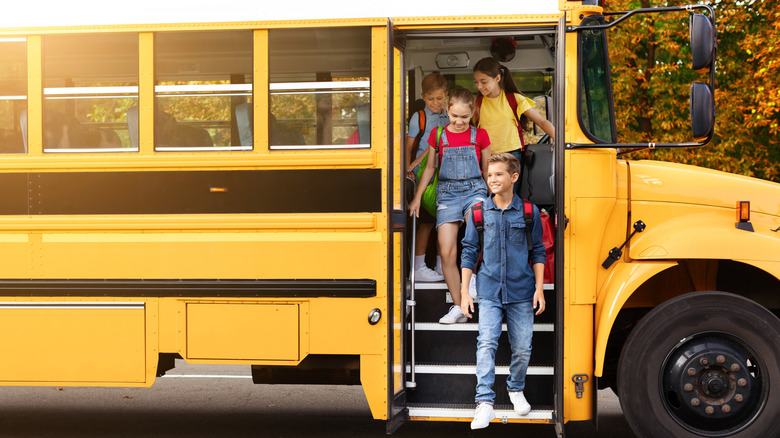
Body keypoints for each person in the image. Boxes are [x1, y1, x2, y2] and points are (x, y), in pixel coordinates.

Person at [459, 153, 546, 429]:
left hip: (522, 291)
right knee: (487, 343)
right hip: (488, 290)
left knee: (522, 347)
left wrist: (540, 289)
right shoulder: (477, 212)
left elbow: (539, 252)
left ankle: (515, 388)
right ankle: (484, 402)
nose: (492, 179)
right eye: (489, 174)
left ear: (514, 177)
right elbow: (470, 252)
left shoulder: (529, 213)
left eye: (498, 174)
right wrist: (464, 292)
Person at [409, 87, 491, 324]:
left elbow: (487, 170)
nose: (459, 122)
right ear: (448, 110)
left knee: (477, 227)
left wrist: (496, 196)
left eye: (464, 117)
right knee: (446, 252)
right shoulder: (437, 135)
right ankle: (459, 307)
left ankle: (472, 278)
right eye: (454, 116)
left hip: (475, 190)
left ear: (473, 113)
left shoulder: (481, 136)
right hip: (447, 194)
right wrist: (417, 198)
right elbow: (431, 169)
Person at [472, 57, 555, 194]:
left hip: (511, 157)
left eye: (484, 82)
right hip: (487, 158)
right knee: (490, 199)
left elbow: (542, 122)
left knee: (507, 198)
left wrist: (559, 142)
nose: (479, 86)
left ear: (497, 78)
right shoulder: (477, 104)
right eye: (476, 82)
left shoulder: (514, 99)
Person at [406, 73, 450, 282]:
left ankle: (443, 265)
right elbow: (409, 147)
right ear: (423, 97)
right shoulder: (419, 117)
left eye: (440, 98)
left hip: (445, 172)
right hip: (423, 173)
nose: (435, 103)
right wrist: (409, 169)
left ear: (446, 96)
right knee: (426, 220)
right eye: (431, 98)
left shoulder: (450, 115)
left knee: (444, 220)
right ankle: (419, 266)